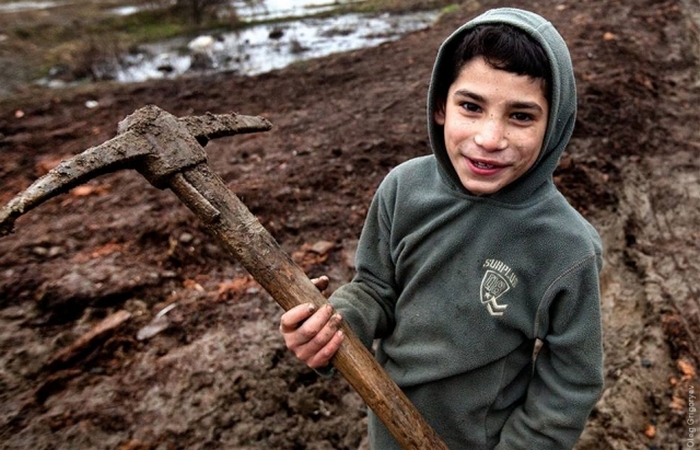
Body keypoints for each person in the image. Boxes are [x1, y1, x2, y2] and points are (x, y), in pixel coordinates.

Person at [279, 7, 604, 450]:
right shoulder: (403, 189)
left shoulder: (566, 246)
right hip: (388, 428)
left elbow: (572, 379)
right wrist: (336, 326)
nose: (490, 138)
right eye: (471, 107)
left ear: (555, 125)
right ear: (439, 105)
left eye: (521, 116)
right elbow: (375, 287)